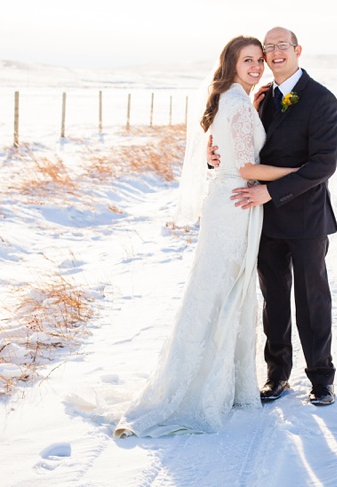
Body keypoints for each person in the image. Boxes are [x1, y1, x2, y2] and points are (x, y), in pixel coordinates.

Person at [113, 36, 298, 438]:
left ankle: (219, 381)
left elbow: (227, 155)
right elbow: (247, 166)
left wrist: (224, 160)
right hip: (234, 204)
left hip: (231, 202)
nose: (255, 66)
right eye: (247, 59)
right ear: (231, 63)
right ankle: (195, 390)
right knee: (219, 290)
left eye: (258, 60)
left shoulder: (236, 100)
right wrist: (295, 175)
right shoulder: (235, 103)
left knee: (221, 290)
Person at [209, 26, 337, 406]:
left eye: (283, 45)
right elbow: (240, 147)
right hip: (263, 217)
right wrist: (214, 158)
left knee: (312, 298)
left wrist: (271, 190)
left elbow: (323, 165)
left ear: (298, 50)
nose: (275, 52)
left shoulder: (321, 100)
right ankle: (276, 376)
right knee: (274, 299)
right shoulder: (261, 97)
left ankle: (321, 379)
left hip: (306, 217)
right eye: (269, 48)